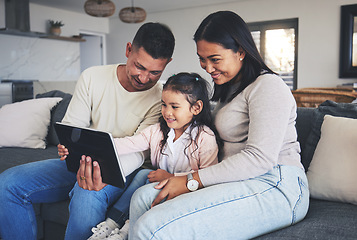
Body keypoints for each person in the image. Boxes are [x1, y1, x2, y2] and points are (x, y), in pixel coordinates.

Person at [128, 11, 310, 240]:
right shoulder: (227, 92)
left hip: (276, 184)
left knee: (151, 227)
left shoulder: (268, 87)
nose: (207, 67)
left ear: (241, 52)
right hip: (235, 181)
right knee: (143, 197)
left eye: (214, 59)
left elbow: (260, 159)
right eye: (202, 59)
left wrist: (190, 180)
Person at [0, 22, 175, 240]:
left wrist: (106, 173)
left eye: (155, 72)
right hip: (82, 160)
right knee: (7, 184)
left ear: (167, 63)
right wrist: (67, 146)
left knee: (88, 192)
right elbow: (72, 126)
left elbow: (140, 151)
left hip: (126, 170)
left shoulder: (164, 98)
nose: (144, 78)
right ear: (128, 50)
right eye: (139, 67)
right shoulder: (92, 76)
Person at [87, 72, 220, 240]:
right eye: (164, 105)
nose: (167, 112)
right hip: (158, 184)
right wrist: (91, 145)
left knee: (146, 184)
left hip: (186, 192)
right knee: (143, 174)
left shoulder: (204, 137)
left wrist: (172, 177)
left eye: (174, 106)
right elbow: (128, 144)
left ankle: (125, 231)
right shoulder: (157, 131)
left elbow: (209, 177)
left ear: (196, 108)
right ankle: (111, 224)